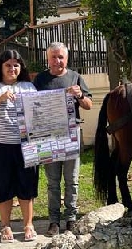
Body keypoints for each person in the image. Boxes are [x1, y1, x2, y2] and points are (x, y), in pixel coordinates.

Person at [0, 50, 39, 243]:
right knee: (2, 185)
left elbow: (39, 111)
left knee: (27, 185)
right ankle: (6, 226)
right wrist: (0, 98)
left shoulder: (29, 87)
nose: (13, 68)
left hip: (25, 145)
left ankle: (28, 225)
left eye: (16, 65)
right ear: (0, 67)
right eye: (8, 65)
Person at [33, 42, 92, 236]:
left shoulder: (75, 77)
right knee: (52, 182)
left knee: (72, 180)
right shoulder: (40, 80)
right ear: (47, 58)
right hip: (48, 136)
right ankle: (53, 222)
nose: (57, 61)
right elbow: (30, 107)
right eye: (53, 57)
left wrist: (80, 95)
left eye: (61, 57)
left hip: (71, 134)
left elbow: (88, 105)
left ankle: (71, 219)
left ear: (66, 59)